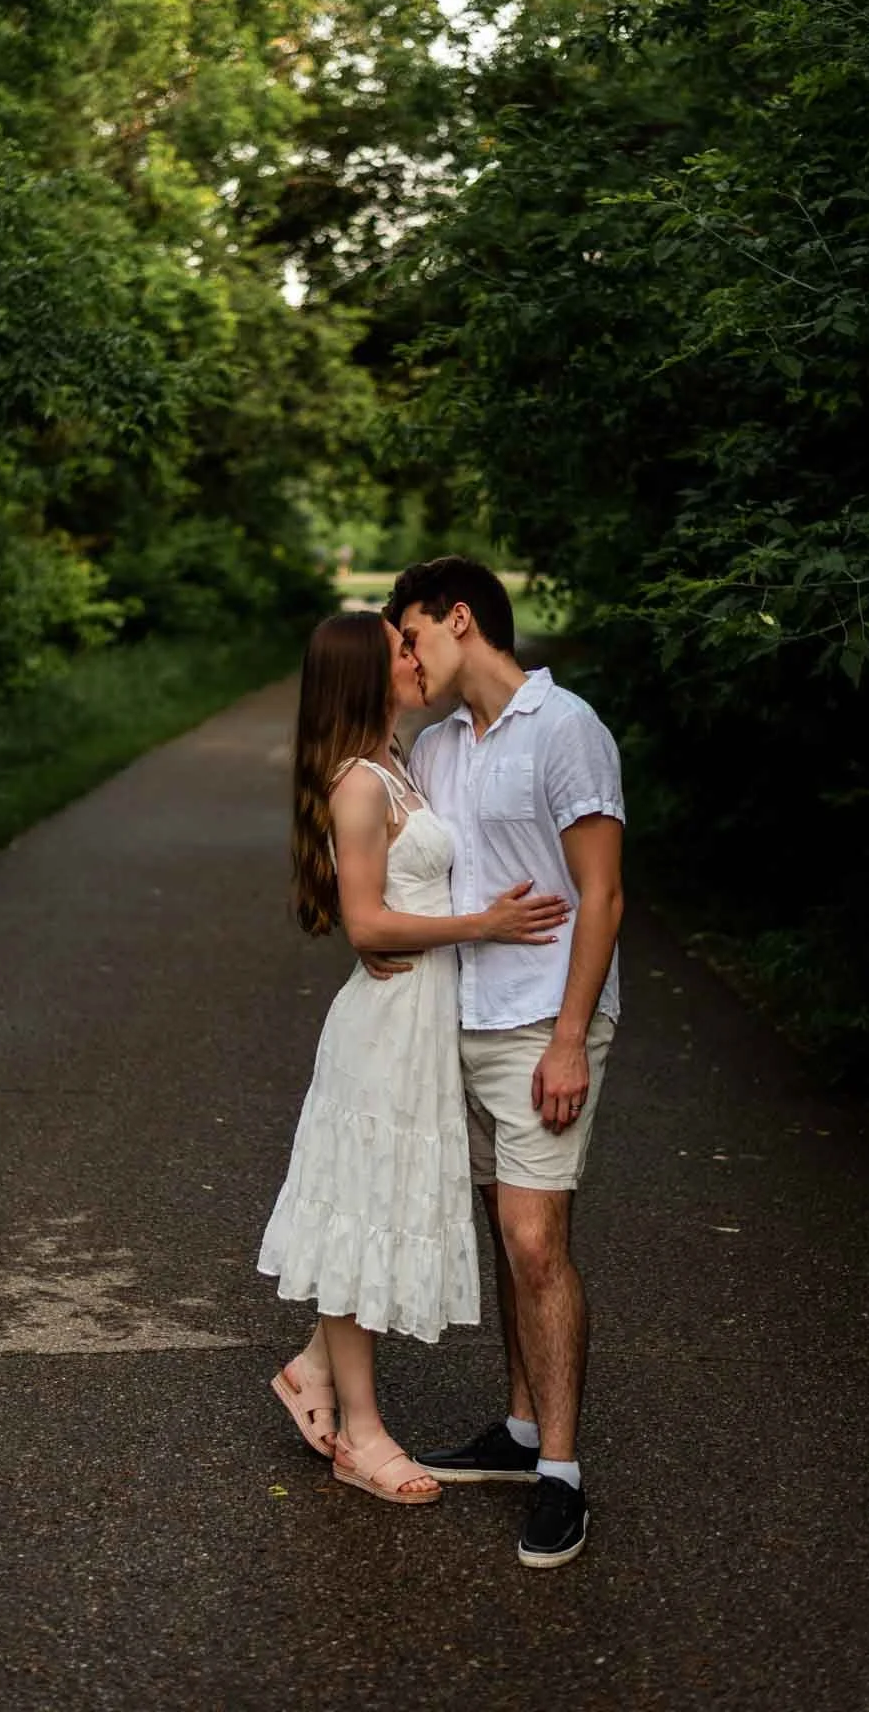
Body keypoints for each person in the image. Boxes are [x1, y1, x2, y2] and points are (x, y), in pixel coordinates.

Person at [258, 610, 572, 1506]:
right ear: (366, 672)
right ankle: (362, 1435)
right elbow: (365, 924)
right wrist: (485, 923)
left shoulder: (402, 762)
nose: (415, 654)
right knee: (363, 1214)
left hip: (421, 1022)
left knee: (384, 1206)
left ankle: (313, 1370)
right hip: (385, 1026)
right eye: (400, 646)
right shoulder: (359, 784)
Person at [382, 557, 625, 1570]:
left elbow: (600, 895)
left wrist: (570, 1036)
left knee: (534, 1240)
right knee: (498, 1224)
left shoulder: (565, 730)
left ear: (461, 618)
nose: (406, 655)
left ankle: (561, 1475)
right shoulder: (436, 746)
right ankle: (520, 1432)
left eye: (411, 637)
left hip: (541, 1023)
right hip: (461, 1021)